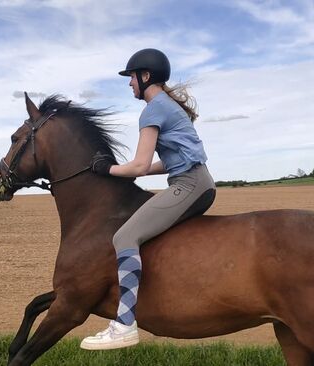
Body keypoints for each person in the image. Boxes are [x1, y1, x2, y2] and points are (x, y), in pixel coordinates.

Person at [80, 48, 216, 350]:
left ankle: (125, 324)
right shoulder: (169, 107)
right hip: (198, 181)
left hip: (189, 184)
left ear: (145, 76)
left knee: (125, 235)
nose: (129, 83)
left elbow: (139, 165)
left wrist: (108, 169)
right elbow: (166, 163)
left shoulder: (153, 110)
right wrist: (129, 173)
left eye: (131, 77)